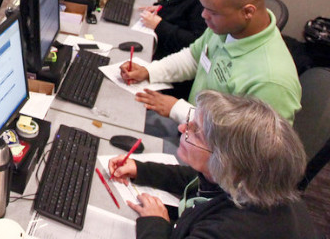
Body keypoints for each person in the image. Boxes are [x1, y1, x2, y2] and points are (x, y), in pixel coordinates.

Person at [109, 91, 318, 239]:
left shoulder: (230, 229)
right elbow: (200, 178)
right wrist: (142, 169)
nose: (182, 128)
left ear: (226, 162)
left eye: (196, 132)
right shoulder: (250, 181)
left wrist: (156, 222)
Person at [120, 0, 302, 126]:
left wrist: (179, 110)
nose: (203, 16)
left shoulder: (272, 81)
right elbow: (194, 57)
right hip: (192, 129)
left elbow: (249, 147)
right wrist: (150, 71)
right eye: (204, 8)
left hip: (214, 157)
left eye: (212, 12)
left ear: (247, 12)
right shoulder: (227, 29)